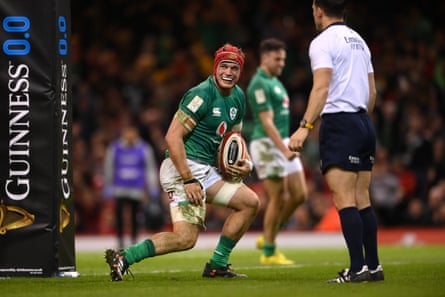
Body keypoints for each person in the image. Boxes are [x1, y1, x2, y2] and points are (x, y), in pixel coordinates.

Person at [105, 43, 260, 281]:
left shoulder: (238, 97)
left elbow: (235, 138)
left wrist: (245, 162)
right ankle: (125, 257)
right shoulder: (201, 95)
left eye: (234, 68)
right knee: (185, 239)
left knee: (249, 202)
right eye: (224, 67)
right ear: (215, 67)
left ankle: (217, 265)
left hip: (205, 169)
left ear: (241, 72)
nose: (229, 73)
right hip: (182, 168)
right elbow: (172, 137)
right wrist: (188, 179)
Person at [288, 0, 384, 283]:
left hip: (340, 122)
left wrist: (305, 127)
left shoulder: (322, 42)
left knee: (344, 199)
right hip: (364, 122)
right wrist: (361, 121)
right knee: (362, 198)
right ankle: (373, 267)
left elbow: (322, 87)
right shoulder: (360, 41)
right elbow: (373, 92)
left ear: (318, 9)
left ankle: (357, 270)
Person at [247, 38, 308, 265]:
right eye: (277, 58)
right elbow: (266, 121)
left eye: (284, 58)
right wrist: (284, 149)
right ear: (265, 57)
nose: (282, 63)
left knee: (300, 194)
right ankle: (269, 252)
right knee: (278, 196)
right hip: (266, 143)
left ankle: (268, 235)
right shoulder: (259, 83)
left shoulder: (276, 82)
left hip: (282, 141)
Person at [104, 124, 161, 248]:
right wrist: (108, 184)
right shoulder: (115, 148)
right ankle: (120, 240)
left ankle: (134, 240)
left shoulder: (144, 148)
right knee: (119, 215)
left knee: (136, 215)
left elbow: (150, 169)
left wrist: (153, 186)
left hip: (136, 188)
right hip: (120, 188)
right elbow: (109, 167)